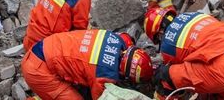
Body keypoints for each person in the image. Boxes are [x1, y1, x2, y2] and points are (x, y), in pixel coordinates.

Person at [144, 8, 224, 99]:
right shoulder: (194, 15)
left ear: (159, 33)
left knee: (164, 75)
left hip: (223, 73)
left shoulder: (168, 43)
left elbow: (179, 75)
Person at [21, 29, 153, 99]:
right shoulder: (105, 75)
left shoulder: (120, 39)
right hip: (38, 70)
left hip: (46, 47)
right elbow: (101, 98)